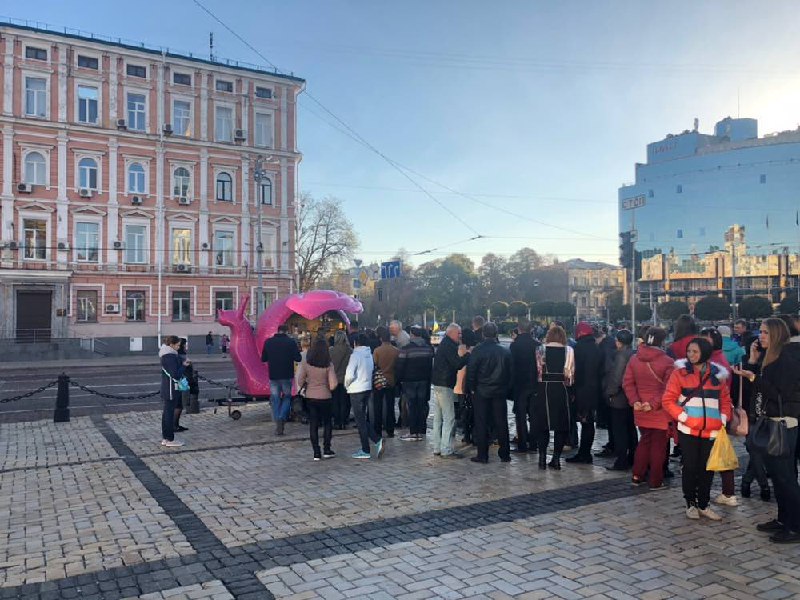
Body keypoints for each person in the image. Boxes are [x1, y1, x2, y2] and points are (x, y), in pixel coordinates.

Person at [734, 318, 800, 543]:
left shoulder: (787, 358)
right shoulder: (771, 357)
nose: (760, 336)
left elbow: (780, 393)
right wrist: (753, 363)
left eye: (765, 332)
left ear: (777, 334)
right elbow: (758, 390)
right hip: (770, 421)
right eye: (760, 332)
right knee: (778, 477)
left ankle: (795, 526)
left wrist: (754, 376)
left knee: (786, 477)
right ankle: (783, 519)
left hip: (784, 422)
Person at [663, 337, 732, 521]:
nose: (691, 355)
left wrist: (722, 419)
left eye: (695, 351)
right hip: (688, 430)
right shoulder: (679, 373)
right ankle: (690, 503)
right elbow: (668, 400)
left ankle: (703, 504)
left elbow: (725, 400)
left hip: (712, 430)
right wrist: (684, 418)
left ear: (705, 353)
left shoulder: (717, 375)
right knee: (690, 467)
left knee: (707, 468)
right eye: (689, 351)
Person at [623, 327, 675, 489]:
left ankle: (637, 475)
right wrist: (652, 403)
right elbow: (667, 388)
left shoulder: (634, 359)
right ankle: (655, 480)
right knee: (658, 446)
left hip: (639, 408)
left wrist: (635, 401)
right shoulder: (668, 361)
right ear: (663, 341)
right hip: (659, 410)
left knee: (644, 441)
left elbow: (628, 383)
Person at [466, 322, 513, 464]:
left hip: (481, 391)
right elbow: (511, 373)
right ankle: (505, 454)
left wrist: (471, 388)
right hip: (499, 391)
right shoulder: (505, 351)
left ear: (483, 334)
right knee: (502, 422)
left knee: (481, 422)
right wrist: (506, 389)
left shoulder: (478, 350)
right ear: (496, 334)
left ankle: (482, 454)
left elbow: (471, 371)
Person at [534, 325, 575, 470]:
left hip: (544, 389)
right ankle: (556, 459)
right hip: (561, 389)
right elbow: (570, 376)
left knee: (543, 425)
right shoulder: (569, 350)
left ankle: (542, 458)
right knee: (561, 426)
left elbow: (538, 371)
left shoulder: (540, 349)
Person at [566, 322, 605, 464]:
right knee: (588, 423)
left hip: (582, 391)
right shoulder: (596, 347)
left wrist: (573, 390)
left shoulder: (579, 348)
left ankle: (584, 454)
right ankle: (585, 452)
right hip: (594, 390)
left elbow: (575, 371)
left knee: (585, 423)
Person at [296, 338, 338, 461]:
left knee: (313, 424)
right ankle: (327, 449)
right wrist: (327, 387)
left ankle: (316, 452)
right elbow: (333, 384)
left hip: (311, 396)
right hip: (325, 396)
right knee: (327, 423)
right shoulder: (328, 365)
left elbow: (300, 380)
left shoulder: (306, 364)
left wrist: (307, 385)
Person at [431, 323, 469, 458]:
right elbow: (457, 364)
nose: (460, 335)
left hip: (438, 383)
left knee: (438, 418)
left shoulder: (444, 344)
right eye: (458, 333)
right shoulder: (449, 346)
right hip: (445, 384)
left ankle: (437, 447)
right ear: (451, 333)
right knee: (449, 417)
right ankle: (446, 449)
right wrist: (467, 356)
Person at [345, 333, 383, 460]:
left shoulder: (355, 355)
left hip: (356, 389)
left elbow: (349, 374)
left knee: (360, 420)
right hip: (367, 388)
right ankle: (375, 440)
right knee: (362, 418)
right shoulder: (369, 354)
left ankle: (367, 447)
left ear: (355, 343)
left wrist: (346, 384)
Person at [603, 330, 636, 471]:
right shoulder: (633, 354)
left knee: (620, 431)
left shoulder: (621, 355)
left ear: (619, 342)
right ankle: (633, 457)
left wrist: (610, 393)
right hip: (629, 397)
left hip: (619, 399)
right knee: (630, 429)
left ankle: (621, 460)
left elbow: (617, 377)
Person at [261, 324, 302, 436]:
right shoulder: (290, 342)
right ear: (286, 331)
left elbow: (263, 358)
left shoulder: (268, 342)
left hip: (273, 375)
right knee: (287, 397)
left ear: (278, 331)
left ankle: (277, 420)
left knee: (275, 398)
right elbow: (298, 358)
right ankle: (282, 417)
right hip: (287, 375)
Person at [396, 327, 435, 441]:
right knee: (421, 405)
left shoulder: (406, 349)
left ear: (412, 335)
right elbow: (431, 365)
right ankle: (421, 430)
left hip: (409, 381)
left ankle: (413, 432)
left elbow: (400, 366)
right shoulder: (428, 348)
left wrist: (399, 379)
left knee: (412, 406)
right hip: (424, 380)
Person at [509, 320, 540, 453]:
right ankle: (533, 444)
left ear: (519, 329)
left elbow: (511, 366)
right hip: (534, 384)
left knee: (520, 415)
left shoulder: (514, 346)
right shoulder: (537, 345)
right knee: (534, 416)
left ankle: (522, 444)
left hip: (519, 384)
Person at [159, 335, 187, 447]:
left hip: (168, 388)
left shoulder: (167, 355)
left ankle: (166, 438)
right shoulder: (169, 356)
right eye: (177, 345)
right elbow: (175, 374)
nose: (179, 347)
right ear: (171, 345)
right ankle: (169, 439)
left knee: (167, 413)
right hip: (171, 388)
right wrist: (184, 366)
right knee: (169, 414)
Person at [373, 326, 400, 438]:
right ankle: (390, 429)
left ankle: (377, 430)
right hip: (391, 380)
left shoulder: (377, 351)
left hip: (379, 380)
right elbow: (398, 366)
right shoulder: (396, 351)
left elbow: (375, 364)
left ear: (381, 339)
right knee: (390, 405)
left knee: (378, 406)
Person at [455, 329, 478, 444]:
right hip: (472, 385)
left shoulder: (459, 349)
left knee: (463, 410)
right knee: (473, 410)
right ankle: (474, 433)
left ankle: (466, 434)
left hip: (459, 385)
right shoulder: (476, 349)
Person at [330, 330, 353, 430]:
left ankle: (336, 421)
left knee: (335, 401)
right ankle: (344, 421)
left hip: (334, 378)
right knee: (345, 401)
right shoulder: (350, 350)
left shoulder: (331, 350)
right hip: (346, 379)